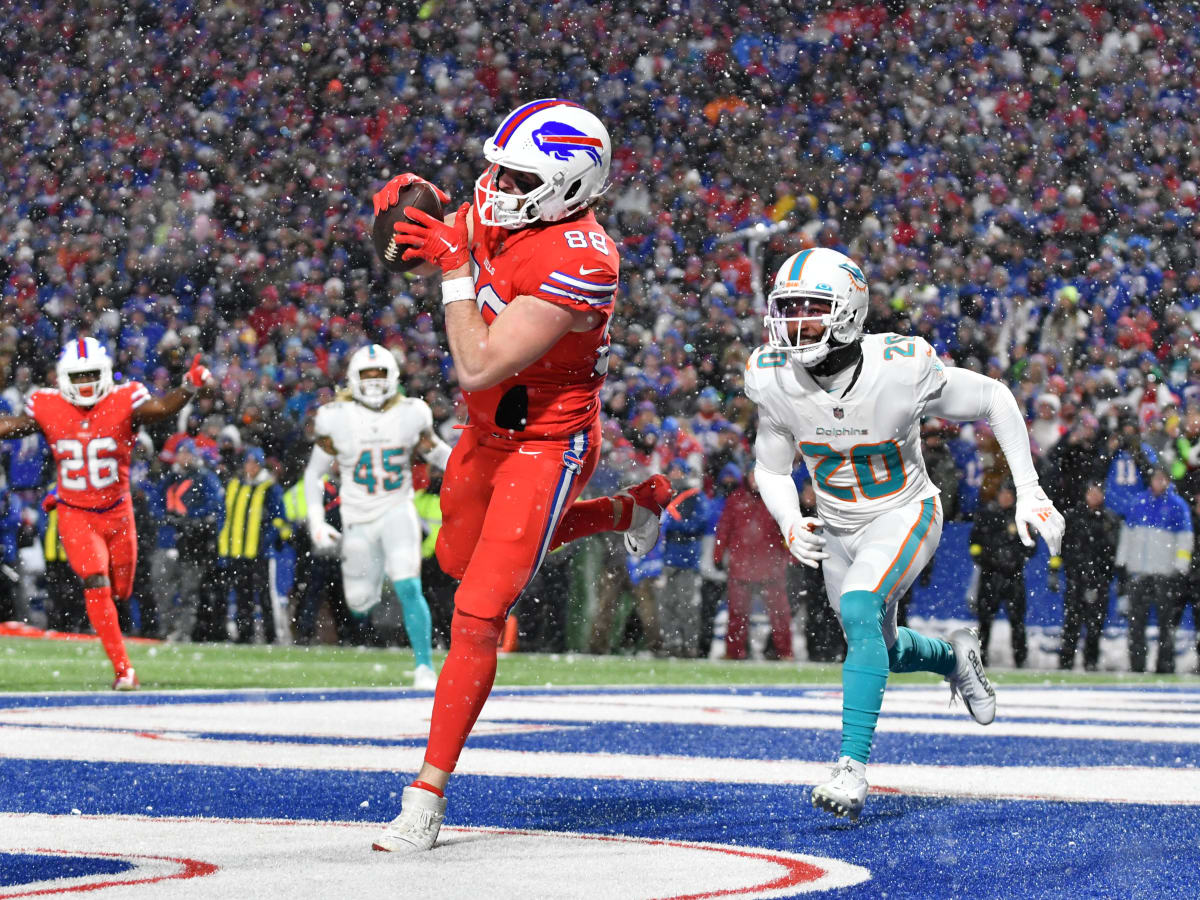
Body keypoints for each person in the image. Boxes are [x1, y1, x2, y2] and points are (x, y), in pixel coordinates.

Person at [370, 99, 672, 853]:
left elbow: (476, 360)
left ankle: (427, 795)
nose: (495, 184)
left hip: (546, 442)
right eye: (496, 166)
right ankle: (624, 512)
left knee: (477, 615)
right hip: (484, 435)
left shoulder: (584, 257)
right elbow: (419, 247)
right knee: (454, 563)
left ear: (571, 188)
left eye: (516, 174)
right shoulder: (505, 207)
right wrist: (402, 226)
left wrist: (450, 266)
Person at [745, 247, 1064, 820]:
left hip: (904, 511)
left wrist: (1030, 487)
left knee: (862, 610)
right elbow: (771, 467)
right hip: (839, 528)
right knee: (880, 648)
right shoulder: (771, 376)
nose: (793, 325)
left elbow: (993, 396)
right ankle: (953, 658)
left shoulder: (900, 364)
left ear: (848, 312)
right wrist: (790, 520)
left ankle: (851, 769)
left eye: (809, 309)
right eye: (785, 309)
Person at [0, 338, 213, 689]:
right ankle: (123, 670)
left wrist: (189, 385)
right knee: (94, 579)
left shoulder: (123, 398)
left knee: (121, 589)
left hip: (118, 512)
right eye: (77, 375)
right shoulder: (48, 404)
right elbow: (12, 425)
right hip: (75, 512)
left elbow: (161, 408)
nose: (84, 382)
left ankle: (116, 627)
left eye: (90, 374)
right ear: (63, 377)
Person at [304, 344, 451, 685]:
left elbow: (435, 452)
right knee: (358, 602)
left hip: (397, 508)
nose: (373, 382)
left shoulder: (412, 412)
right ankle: (373, 592)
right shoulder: (334, 417)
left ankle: (424, 667)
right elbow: (314, 473)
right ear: (354, 379)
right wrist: (317, 522)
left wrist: (470, 465)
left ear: (393, 377)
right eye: (367, 375)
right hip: (356, 516)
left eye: (379, 374)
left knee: (409, 585)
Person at [1116, 464, 1192, 674]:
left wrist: (1180, 568)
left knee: (1165, 624)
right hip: (1139, 572)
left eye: (1162, 478)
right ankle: (1137, 665)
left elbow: (1184, 541)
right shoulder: (1138, 502)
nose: (1159, 482)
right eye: (1156, 478)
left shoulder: (1177, 505)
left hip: (1164, 573)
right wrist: (1123, 564)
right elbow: (1127, 536)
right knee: (1136, 623)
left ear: (1168, 481)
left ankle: (1165, 665)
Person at [715, 465, 794, 661]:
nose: (755, 480)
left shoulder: (776, 499)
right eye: (753, 475)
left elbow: (788, 528)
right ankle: (733, 653)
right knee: (737, 614)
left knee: (780, 615)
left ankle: (785, 652)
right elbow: (724, 528)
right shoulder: (736, 499)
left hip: (770, 567)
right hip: (742, 566)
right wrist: (717, 554)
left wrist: (793, 555)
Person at [217, 447, 290, 644]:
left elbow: (279, 518)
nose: (251, 467)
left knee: (265, 596)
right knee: (242, 596)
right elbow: (224, 516)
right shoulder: (234, 485)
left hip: (259, 552)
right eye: (248, 463)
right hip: (236, 550)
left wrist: (266, 540)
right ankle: (244, 634)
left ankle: (270, 636)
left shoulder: (269, 488)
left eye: (254, 463)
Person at [968, 482, 1036, 668]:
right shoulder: (986, 515)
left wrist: (1015, 559)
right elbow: (974, 542)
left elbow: (1031, 546)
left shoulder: (1021, 517)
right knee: (985, 621)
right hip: (990, 575)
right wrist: (984, 559)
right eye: (1002, 493)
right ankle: (980, 660)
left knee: (1017, 621)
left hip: (1013, 576)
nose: (1005, 498)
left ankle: (1020, 660)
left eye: (1009, 494)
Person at [1057, 480, 1120, 671]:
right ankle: (1066, 661)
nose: (1094, 496)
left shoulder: (1110, 519)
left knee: (1095, 624)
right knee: (1072, 622)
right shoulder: (1072, 517)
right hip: (1075, 577)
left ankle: (1090, 661)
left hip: (1099, 579)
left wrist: (1107, 575)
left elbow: (1114, 551)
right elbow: (1060, 547)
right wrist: (1056, 569)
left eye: (1097, 492)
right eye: (1090, 492)